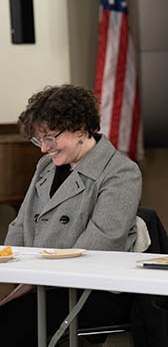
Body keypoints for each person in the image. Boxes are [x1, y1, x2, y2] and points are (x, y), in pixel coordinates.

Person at [0, 85, 142, 345]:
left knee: (11, 320)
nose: (44, 148)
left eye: (51, 137)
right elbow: (20, 226)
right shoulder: (45, 165)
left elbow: (99, 245)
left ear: (80, 128)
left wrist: (29, 282)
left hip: (91, 292)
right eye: (38, 139)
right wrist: (7, 274)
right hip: (37, 283)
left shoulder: (121, 172)